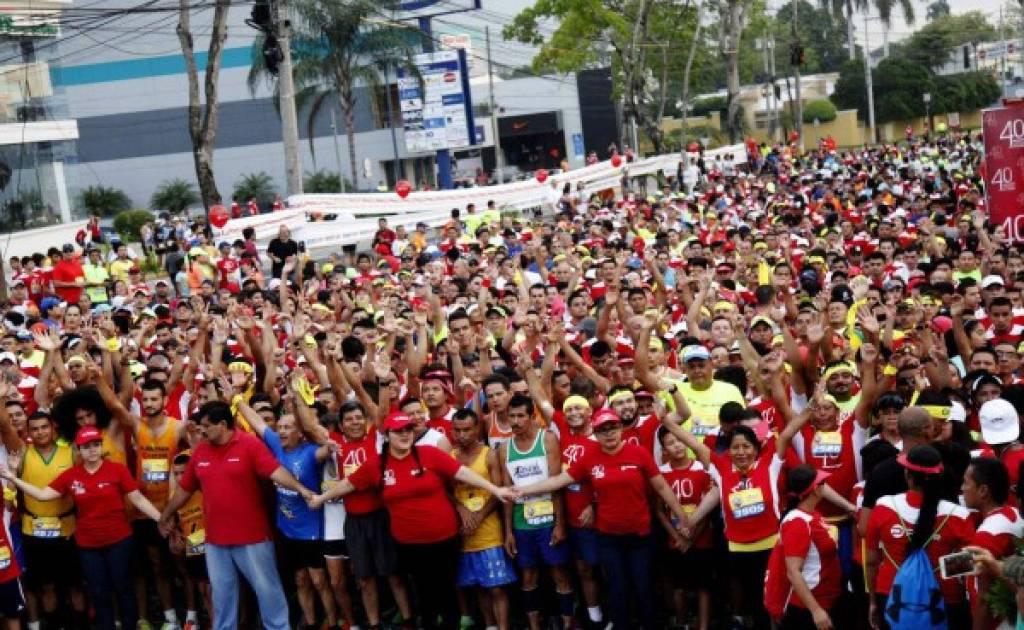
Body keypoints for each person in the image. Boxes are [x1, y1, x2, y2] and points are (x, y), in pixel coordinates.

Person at [311, 412, 517, 630]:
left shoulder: (429, 454)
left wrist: (495, 489)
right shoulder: (377, 465)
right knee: (423, 591)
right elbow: (348, 484)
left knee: (447, 590)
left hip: (444, 538)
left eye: (408, 429)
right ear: (387, 435)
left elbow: (462, 473)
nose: (404, 434)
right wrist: (321, 498)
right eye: (398, 431)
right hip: (409, 543)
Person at [512, 408, 692, 630]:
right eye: (602, 430)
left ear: (620, 429)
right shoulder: (590, 456)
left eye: (613, 428)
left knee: (643, 585)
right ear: (595, 434)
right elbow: (558, 481)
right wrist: (522, 490)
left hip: (640, 534)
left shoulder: (639, 453)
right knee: (617, 587)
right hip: (608, 536)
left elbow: (662, 487)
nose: (609, 434)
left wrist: (683, 516)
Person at [158, 401, 313, 630]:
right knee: (222, 596)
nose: (202, 431)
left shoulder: (249, 444)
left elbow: (275, 471)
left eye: (206, 426)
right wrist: (166, 515)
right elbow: (185, 488)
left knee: (268, 591)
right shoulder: (201, 450)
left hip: (253, 538)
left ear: (222, 424)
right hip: (216, 541)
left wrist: (302, 490)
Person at [2, 426, 163, 630]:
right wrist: (13, 477)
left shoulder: (117, 470)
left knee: (123, 587)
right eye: (86, 446)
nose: (92, 450)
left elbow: (137, 498)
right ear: (78, 450)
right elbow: (43, 494)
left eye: (96, 444)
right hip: (88, 545)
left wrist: (161, 519)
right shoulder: (71, 475)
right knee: (98, 590)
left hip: (119, 540)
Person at [864, 444, 976, 629]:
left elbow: (871, 562)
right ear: (939, 477)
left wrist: (873, 602)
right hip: (945, 600)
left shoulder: (884, 506)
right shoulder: (958, 514)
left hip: (891, 595)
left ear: (908, 475)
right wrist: (938, 567)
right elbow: (973, 561)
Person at [497, 394, 574, 630]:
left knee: (559, 573)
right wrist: (508, 532)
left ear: (532, 417)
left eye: (521, 416)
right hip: (522, 524)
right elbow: (507, 494)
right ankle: (534, 625)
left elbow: (557, 485)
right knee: (528, 576)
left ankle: (568, 623)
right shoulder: (504, 449)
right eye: (512, 416)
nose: (516, 421)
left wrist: (560, 524)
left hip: (549, 520)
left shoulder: (547, 440)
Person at [450, 408, 516, 630]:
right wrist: (461, 510)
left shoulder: (489, 454)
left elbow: (500, 491)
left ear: (477, 428)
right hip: (464, 532)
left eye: (467, 429)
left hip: (489, 530)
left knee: (496, 587)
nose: (462, 435)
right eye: (457, 430)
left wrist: (478, 516)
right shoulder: (449, 456)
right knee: (478, 585)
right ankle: (490, 626)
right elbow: (447, 491)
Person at [776, 465, 841, 630]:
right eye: (822, 483)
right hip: (807, 608)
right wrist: (816, 611)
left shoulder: (812, 514)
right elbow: (793, 571)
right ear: (815, 490)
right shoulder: (797, 523)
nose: (825, 486)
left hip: (825, 600)